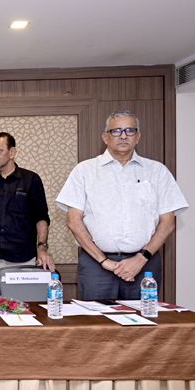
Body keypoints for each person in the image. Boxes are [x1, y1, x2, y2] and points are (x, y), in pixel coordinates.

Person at [56, 110, 188, 300]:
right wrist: (104, 261)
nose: (123, 135)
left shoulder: (157, 172)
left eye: (129, 130)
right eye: (116, 131)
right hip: (96, 264)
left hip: (145, 265)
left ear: (138, 136)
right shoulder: (84, 171)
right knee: (97, 325)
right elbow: (73, 221)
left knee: (143, 325)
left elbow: (168, 223)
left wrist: (140, 258)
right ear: (105, 137)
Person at [0, 132, 55, 294]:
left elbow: (41, 217)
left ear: (12, 152)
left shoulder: (31, 180)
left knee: (23, 310)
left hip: (23, 258)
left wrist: (42, 247)